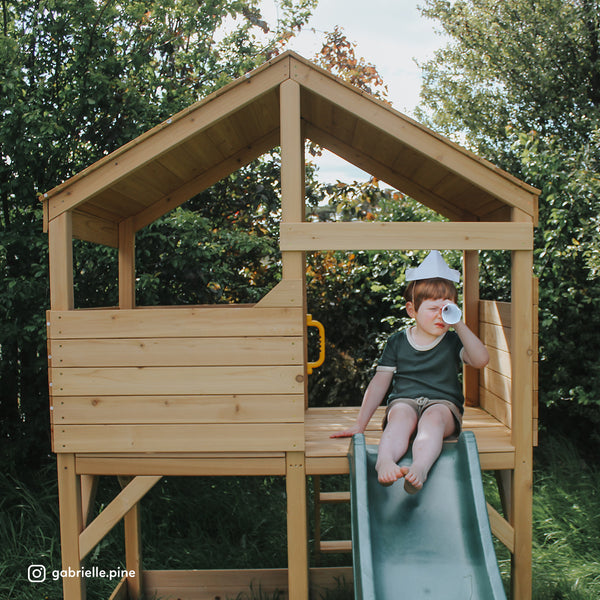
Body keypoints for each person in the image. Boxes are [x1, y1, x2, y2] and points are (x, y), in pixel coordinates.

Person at [331, 251, 489, 493]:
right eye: (433, 308)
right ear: (411, 310)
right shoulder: (397, 342)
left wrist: (458, 322)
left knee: (432, 420)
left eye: (446, 309)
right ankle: (385, 461)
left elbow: (480, 360)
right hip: (404, 401)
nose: (440, 315)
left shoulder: (453, 341)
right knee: (400, 418)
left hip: (442, 405)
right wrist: (360, 424)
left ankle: (421, 467)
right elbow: (379, 384)